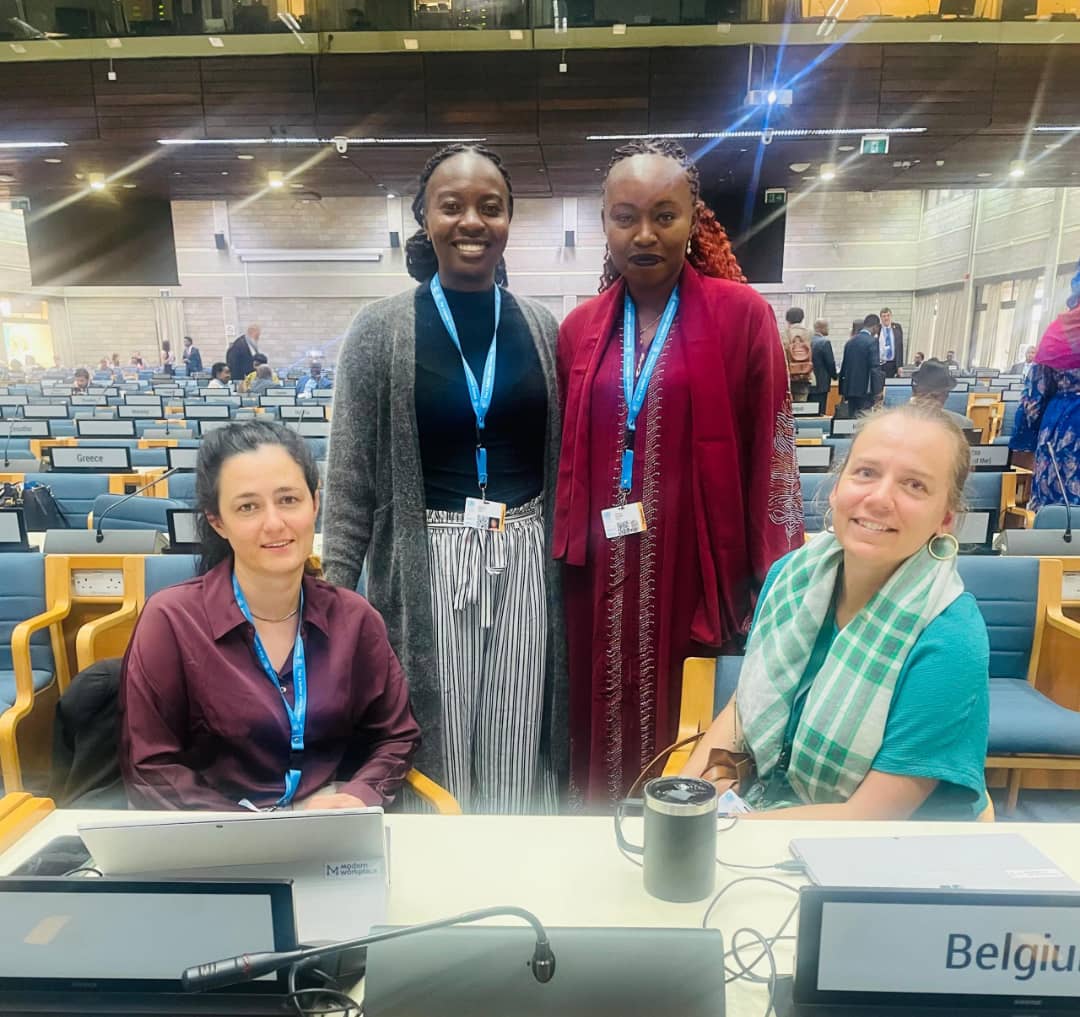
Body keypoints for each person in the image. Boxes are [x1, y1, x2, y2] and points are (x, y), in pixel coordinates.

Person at [555, 138, 803, 807]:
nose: (644, 234)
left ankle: (679, 836)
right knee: (596, 722)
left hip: (696, 563)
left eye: (664, 215)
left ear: (695, 219)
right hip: (598, 573)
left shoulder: (742, 316)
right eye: (624, 216)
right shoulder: (578, 328)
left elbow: (771, 456)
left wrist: (772, 585)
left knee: (685, 708)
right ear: (603, 223)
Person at [322, 143, 565, 815]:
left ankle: (515, 880)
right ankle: (445, 889)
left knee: (518, 734)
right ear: (423, 218)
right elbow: (349, 481)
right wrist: (332, 602)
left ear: (509, 220)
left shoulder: (542, 327)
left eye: (491, 207)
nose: (472, 221)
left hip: (524, 548)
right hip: (428, 555)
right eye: (451, 206)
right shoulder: (377, 330)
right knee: (438, 739)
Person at [681, 401, 990, 820]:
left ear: (946, 519)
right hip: (764, 816)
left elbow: (870, 818)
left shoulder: (951, 638)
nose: (880, 499)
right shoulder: (790, 575)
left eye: (914, 485)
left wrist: (717, 833)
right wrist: (688, 800)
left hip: (880, 856)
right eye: (865, 472)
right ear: (836, 487)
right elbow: (745, 706)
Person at [119, 420, 421, 811]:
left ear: (315, 503)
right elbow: (151, 768)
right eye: (248, 507)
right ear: (217, 521)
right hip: (212, 838)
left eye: (289, 500)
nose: (274, 523)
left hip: (326, 827)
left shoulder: (354, 617)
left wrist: (357, 797)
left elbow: (397, 736)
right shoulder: (171, 621)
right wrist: (254, 832)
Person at [1009, 263, 1080, 511]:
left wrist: (1022, 445)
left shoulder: (1059, 333)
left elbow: (1033, 399)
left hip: (1065, 428)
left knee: (1057, 512)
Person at [911, 359, 974, 429]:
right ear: (914, 392)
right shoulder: (899, 422)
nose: (928, 401)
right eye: (924, 395)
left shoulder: (963, 425)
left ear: (946, 396)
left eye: (934, 396)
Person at [839, 314, 881, 416]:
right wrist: (877, 391)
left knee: (851, 420)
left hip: (850, 390)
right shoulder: (872, 342)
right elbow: (874, 368)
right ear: (875, 327)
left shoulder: (850, 342)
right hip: (865, 390)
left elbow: (844, 367)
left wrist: (842, 390)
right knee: (863, 421)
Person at [809, 319, 837, 416]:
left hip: (808, 383)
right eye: (827, 327)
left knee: (809, 412)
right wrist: (835, 376)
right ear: (822, 328)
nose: (828, 329)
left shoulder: (808, 340)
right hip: (821, 385)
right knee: (820, 413)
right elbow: (830, 363)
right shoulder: (825, 343)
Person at [786, 324, 814, 404]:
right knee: (802, 406)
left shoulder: (784, 334)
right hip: (805, 375)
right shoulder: (809, 333)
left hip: (790, 376)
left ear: (788, 320)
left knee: (788, 407)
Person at [879, 307, 904, 379]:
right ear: (881, 318)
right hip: (880, 363)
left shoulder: (897, 327)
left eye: (888, 315)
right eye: (884, 316)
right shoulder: (877, 328)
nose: (886, 318)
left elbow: (900, 347)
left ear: (891, 316)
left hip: (892, 364)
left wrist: (900, 366)